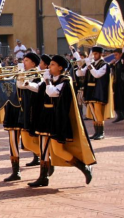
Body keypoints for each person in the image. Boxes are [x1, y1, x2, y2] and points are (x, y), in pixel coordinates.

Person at [27, 55, 95, 187]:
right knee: (43, 149)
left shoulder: (65, 80)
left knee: (58, 150)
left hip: (57, 118)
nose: (49, 67)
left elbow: (52, 92)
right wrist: (27, 84)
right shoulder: (49, 79)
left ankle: (84, 167)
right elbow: (39, 88)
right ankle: (43, 177)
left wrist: (47, 80)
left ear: (60, 67)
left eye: (52, 64)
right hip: (44, 117)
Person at [2, 52, 42, 182]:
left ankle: (45, 162)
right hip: (13, 110)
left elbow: (21, 85)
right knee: (12, 142)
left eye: (26, 60)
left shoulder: (37, 75)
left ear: (33, 63)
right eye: (23, 60)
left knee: (30, 141)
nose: (23, 62)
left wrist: (18, 75)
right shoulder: (20, 73)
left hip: (26, 112)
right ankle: (15, 171)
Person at [73, 46, 113, 140]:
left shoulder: (104, 65)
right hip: (90, 90)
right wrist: (79, 66)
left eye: (96, 54)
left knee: (98, 111)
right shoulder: (91, 64)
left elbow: (97, 74)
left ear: (100, 54)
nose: (94, 56)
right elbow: (80, 74)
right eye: (93, 54)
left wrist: (89, 65)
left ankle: (101, 132)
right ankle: (96, 132)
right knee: (93, 112)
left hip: (99, 91)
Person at [110, 48, 124, 123]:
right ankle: (120, 115)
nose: (115, 56)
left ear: (120, 54)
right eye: (114, 55)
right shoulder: (116, 63)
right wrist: (112, 65)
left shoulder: (122, 62)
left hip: (121, 84)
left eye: (116, 55)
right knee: (116, 100)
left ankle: (123, 115)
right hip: (116, 84)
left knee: (121, 100)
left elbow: (121, 73)